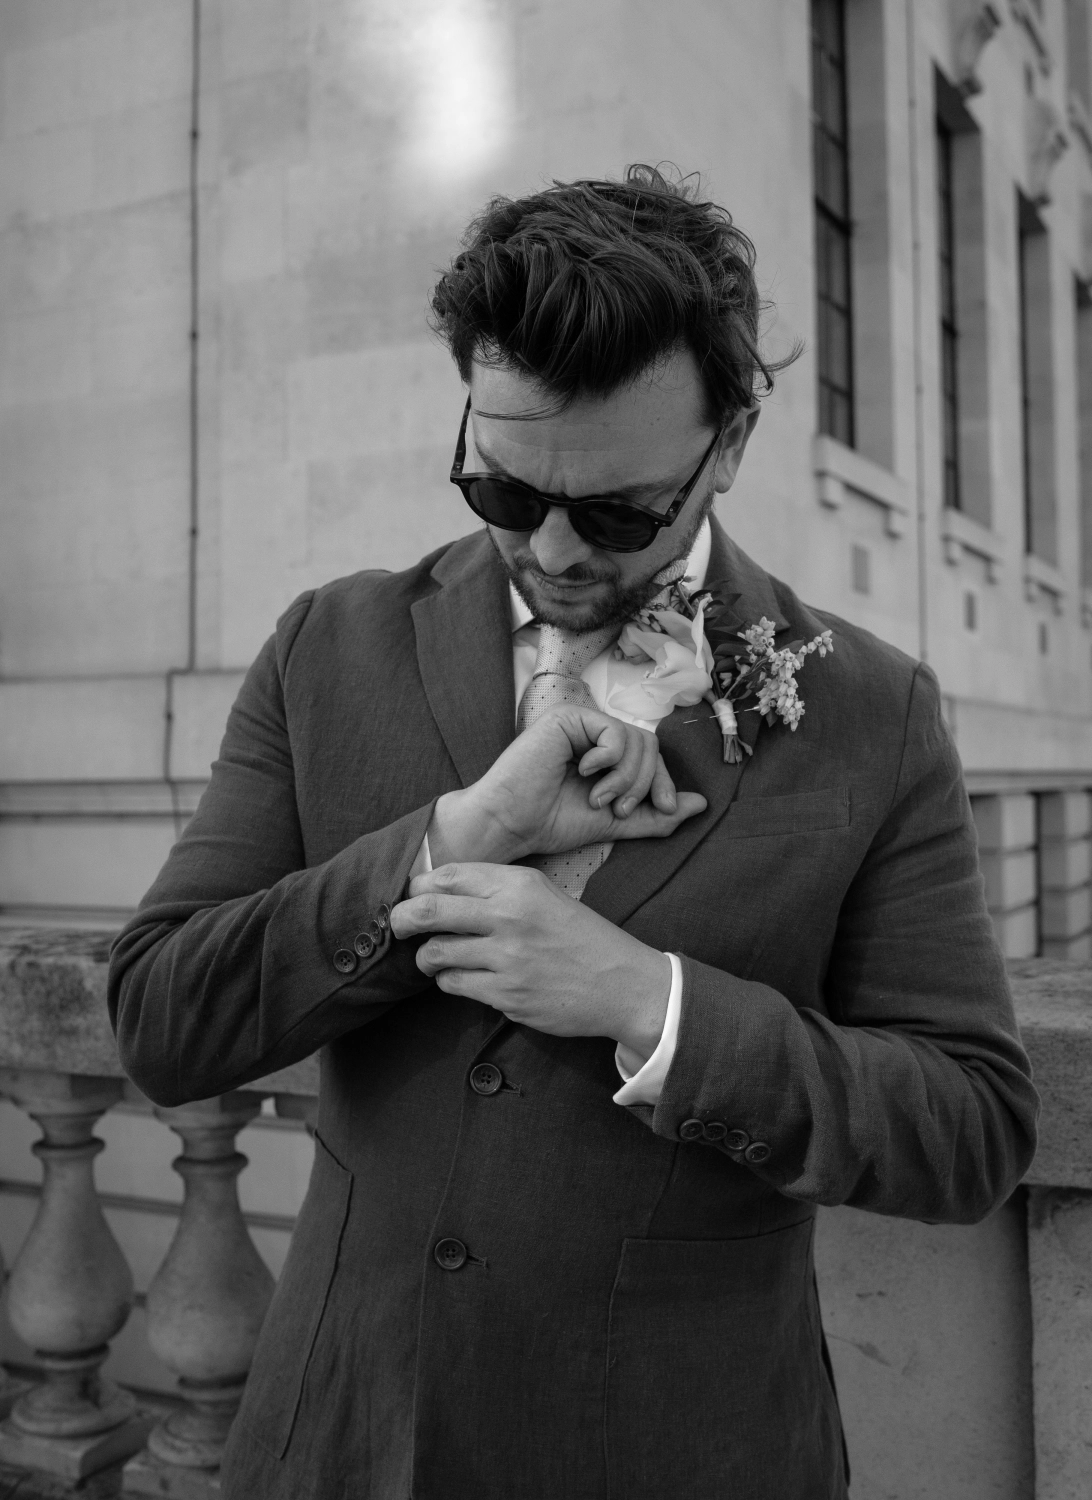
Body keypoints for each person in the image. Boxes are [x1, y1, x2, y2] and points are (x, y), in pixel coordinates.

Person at [108, 165, 1037, 1500]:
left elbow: (970, 1127)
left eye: (614, 512)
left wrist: (649, 1004)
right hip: (347, 1435)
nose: (548, 550)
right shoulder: (330, 645)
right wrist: (454, 840)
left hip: (683, 1452)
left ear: (730, 444)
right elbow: (160, 1018)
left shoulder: (871, 712)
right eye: (501, 490)